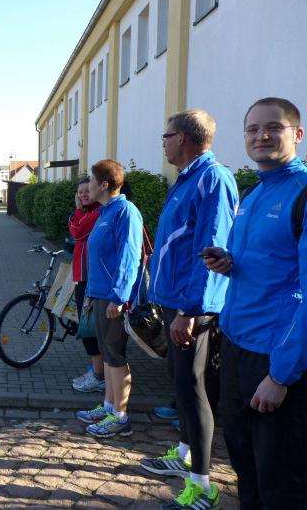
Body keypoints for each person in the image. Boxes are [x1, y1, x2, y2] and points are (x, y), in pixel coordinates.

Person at [203, 97, 307, 509]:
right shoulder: (253, 192)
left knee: (280, 480)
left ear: (297, 134)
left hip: (274, 358)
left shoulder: (302, 195)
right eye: (252, 129)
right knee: (245, 466)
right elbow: (268, 265)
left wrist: (281, 376)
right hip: (235, 346)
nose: (261, 135)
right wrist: (229, 263)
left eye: (273, 127)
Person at [139, 109, 237, 510]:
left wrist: (190, 309)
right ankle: (182, 456)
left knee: (194, 389)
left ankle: (203, 484)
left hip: (191, 307)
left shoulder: (212, 178)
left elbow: (212, 249)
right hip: (175, 302)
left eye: (166, 136)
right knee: (180, 386)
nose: (163, 143)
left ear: (182, 138)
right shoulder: (186, 179)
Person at [75, 159, 142, 438]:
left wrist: (119, 297)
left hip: (114, 297)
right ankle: (108, 406)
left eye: (91, 181)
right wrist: (91, 294)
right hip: (101, 295)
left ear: (104, 185)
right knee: (107, 351)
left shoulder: (125, 211)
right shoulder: (105, 212)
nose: (87, 186)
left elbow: (129, 257)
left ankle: (120, 417)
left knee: (115, 355)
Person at [67, 177, 105, 394]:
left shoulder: (96, 213)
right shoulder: (89, 212)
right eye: (80, 192)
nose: (83, 194)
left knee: (89, 328)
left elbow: (77, 231)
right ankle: (97, 370)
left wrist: (78, 209)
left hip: (90, 278)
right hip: (82, 276)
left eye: (87, 190)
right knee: (88, 327)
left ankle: (99, 376)